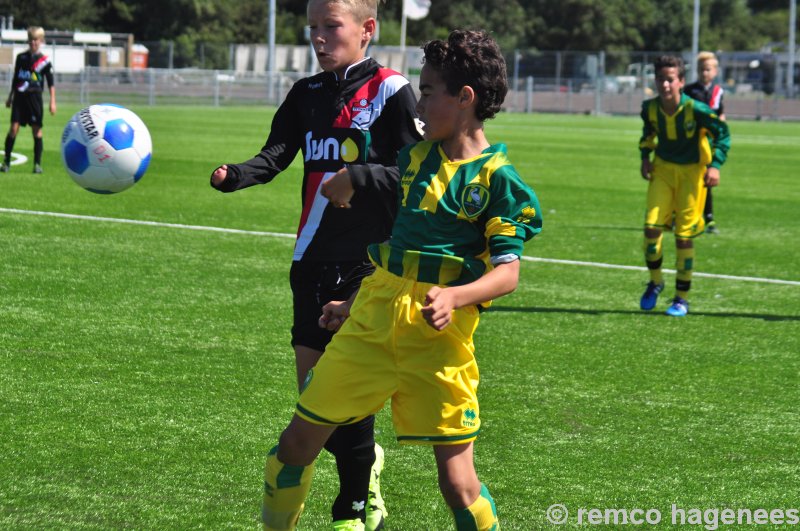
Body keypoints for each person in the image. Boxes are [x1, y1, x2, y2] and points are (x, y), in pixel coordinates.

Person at [260, 29, 542, 531]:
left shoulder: (498, 181)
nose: (421, 101)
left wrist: (456, 295)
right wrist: (354, 305)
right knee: (294, 446)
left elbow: (508, 274)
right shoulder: (413, 161)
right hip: (371, 320)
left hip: (437, 342)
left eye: (429, 90)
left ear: (464, 99)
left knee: (458, 484)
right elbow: (398, 253)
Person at [210, 0, 421, 529]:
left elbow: (417, 174)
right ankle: (366, 468)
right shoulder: (305, 95)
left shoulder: (393, 91)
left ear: (368, 30)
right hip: (309, 260)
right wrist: (234, 174)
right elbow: (275, 156)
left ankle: (352, 506)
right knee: (315, 398)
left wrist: (363, 177)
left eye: (332, 27)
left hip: (366, 264)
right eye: (313, 29)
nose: (319, 39)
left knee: (345, 389)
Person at [638, 55, 730, 317]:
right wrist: (645, 158)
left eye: (670, 80)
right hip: (664, 171)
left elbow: (722, 133)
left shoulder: (696, 109)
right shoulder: (651, 108)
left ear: (680, 82)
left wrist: (715, 165)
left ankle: (681, 298)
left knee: (683, 236)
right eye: (660, 80)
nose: (665, 85)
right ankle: (656, 282)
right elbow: (647, 135)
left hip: (692, 175)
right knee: (651, 229)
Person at [2, 26, 57, 174]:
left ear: (41, 41)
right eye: (31, 40)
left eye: (36, 40)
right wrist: (9, 97)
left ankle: (37, 164)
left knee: (37, 131)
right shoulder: (21, 57)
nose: (33, 42)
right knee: (13, 129)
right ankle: (6, 162)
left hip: (35, 99)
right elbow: (16, 79)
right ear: (28, 40)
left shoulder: (45, 61)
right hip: (20, 98)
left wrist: (52, 101)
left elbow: (51, 83)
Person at [684, 51, 726, 234]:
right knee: (688, 179)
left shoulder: (718, 91)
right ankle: (684, 215)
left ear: (715, 71)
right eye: (701, 69)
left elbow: (720, 114)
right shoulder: (689, 90)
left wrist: (721, 127)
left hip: (709, 144)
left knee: (707, 179)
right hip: (692, 142)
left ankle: (708, 217)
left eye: (708, 69)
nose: (704, 73)